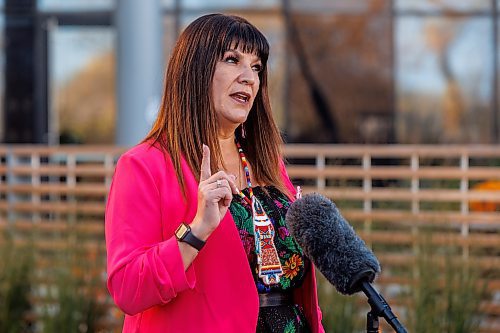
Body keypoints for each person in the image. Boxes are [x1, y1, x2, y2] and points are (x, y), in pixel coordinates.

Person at [105, 13, 324, 333]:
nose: (248, 77)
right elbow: (127, 288)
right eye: (232, 59)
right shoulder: (144, 166)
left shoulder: (266, 163)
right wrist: (196, 231)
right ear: (194, 71)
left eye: (256, 67)